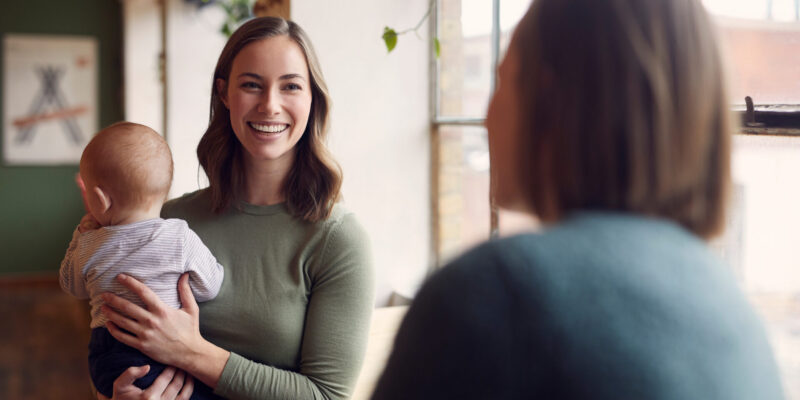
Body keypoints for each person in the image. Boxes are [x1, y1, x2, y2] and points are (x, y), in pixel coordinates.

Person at [372, 0, 785, 399]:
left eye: (503, 80)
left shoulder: (493, 295)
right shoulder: (736, 313)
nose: (485, 117)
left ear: (548, 97)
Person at [97, 17, 374, 400]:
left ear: (313, 98)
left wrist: (192, 353)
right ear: (225, 94)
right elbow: (113, 349)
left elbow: (327, 396)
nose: (270, 105)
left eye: (291, 86)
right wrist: (117, 395)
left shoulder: (338, 239)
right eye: (251, 85)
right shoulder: (168, 223)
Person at [59, 122, 224, 399]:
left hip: (110, 357)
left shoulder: (89, 243)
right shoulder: (180, 236)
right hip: (171, 355)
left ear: (99, 199)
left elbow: (70, 285)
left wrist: (80, 235)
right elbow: (211, 286)